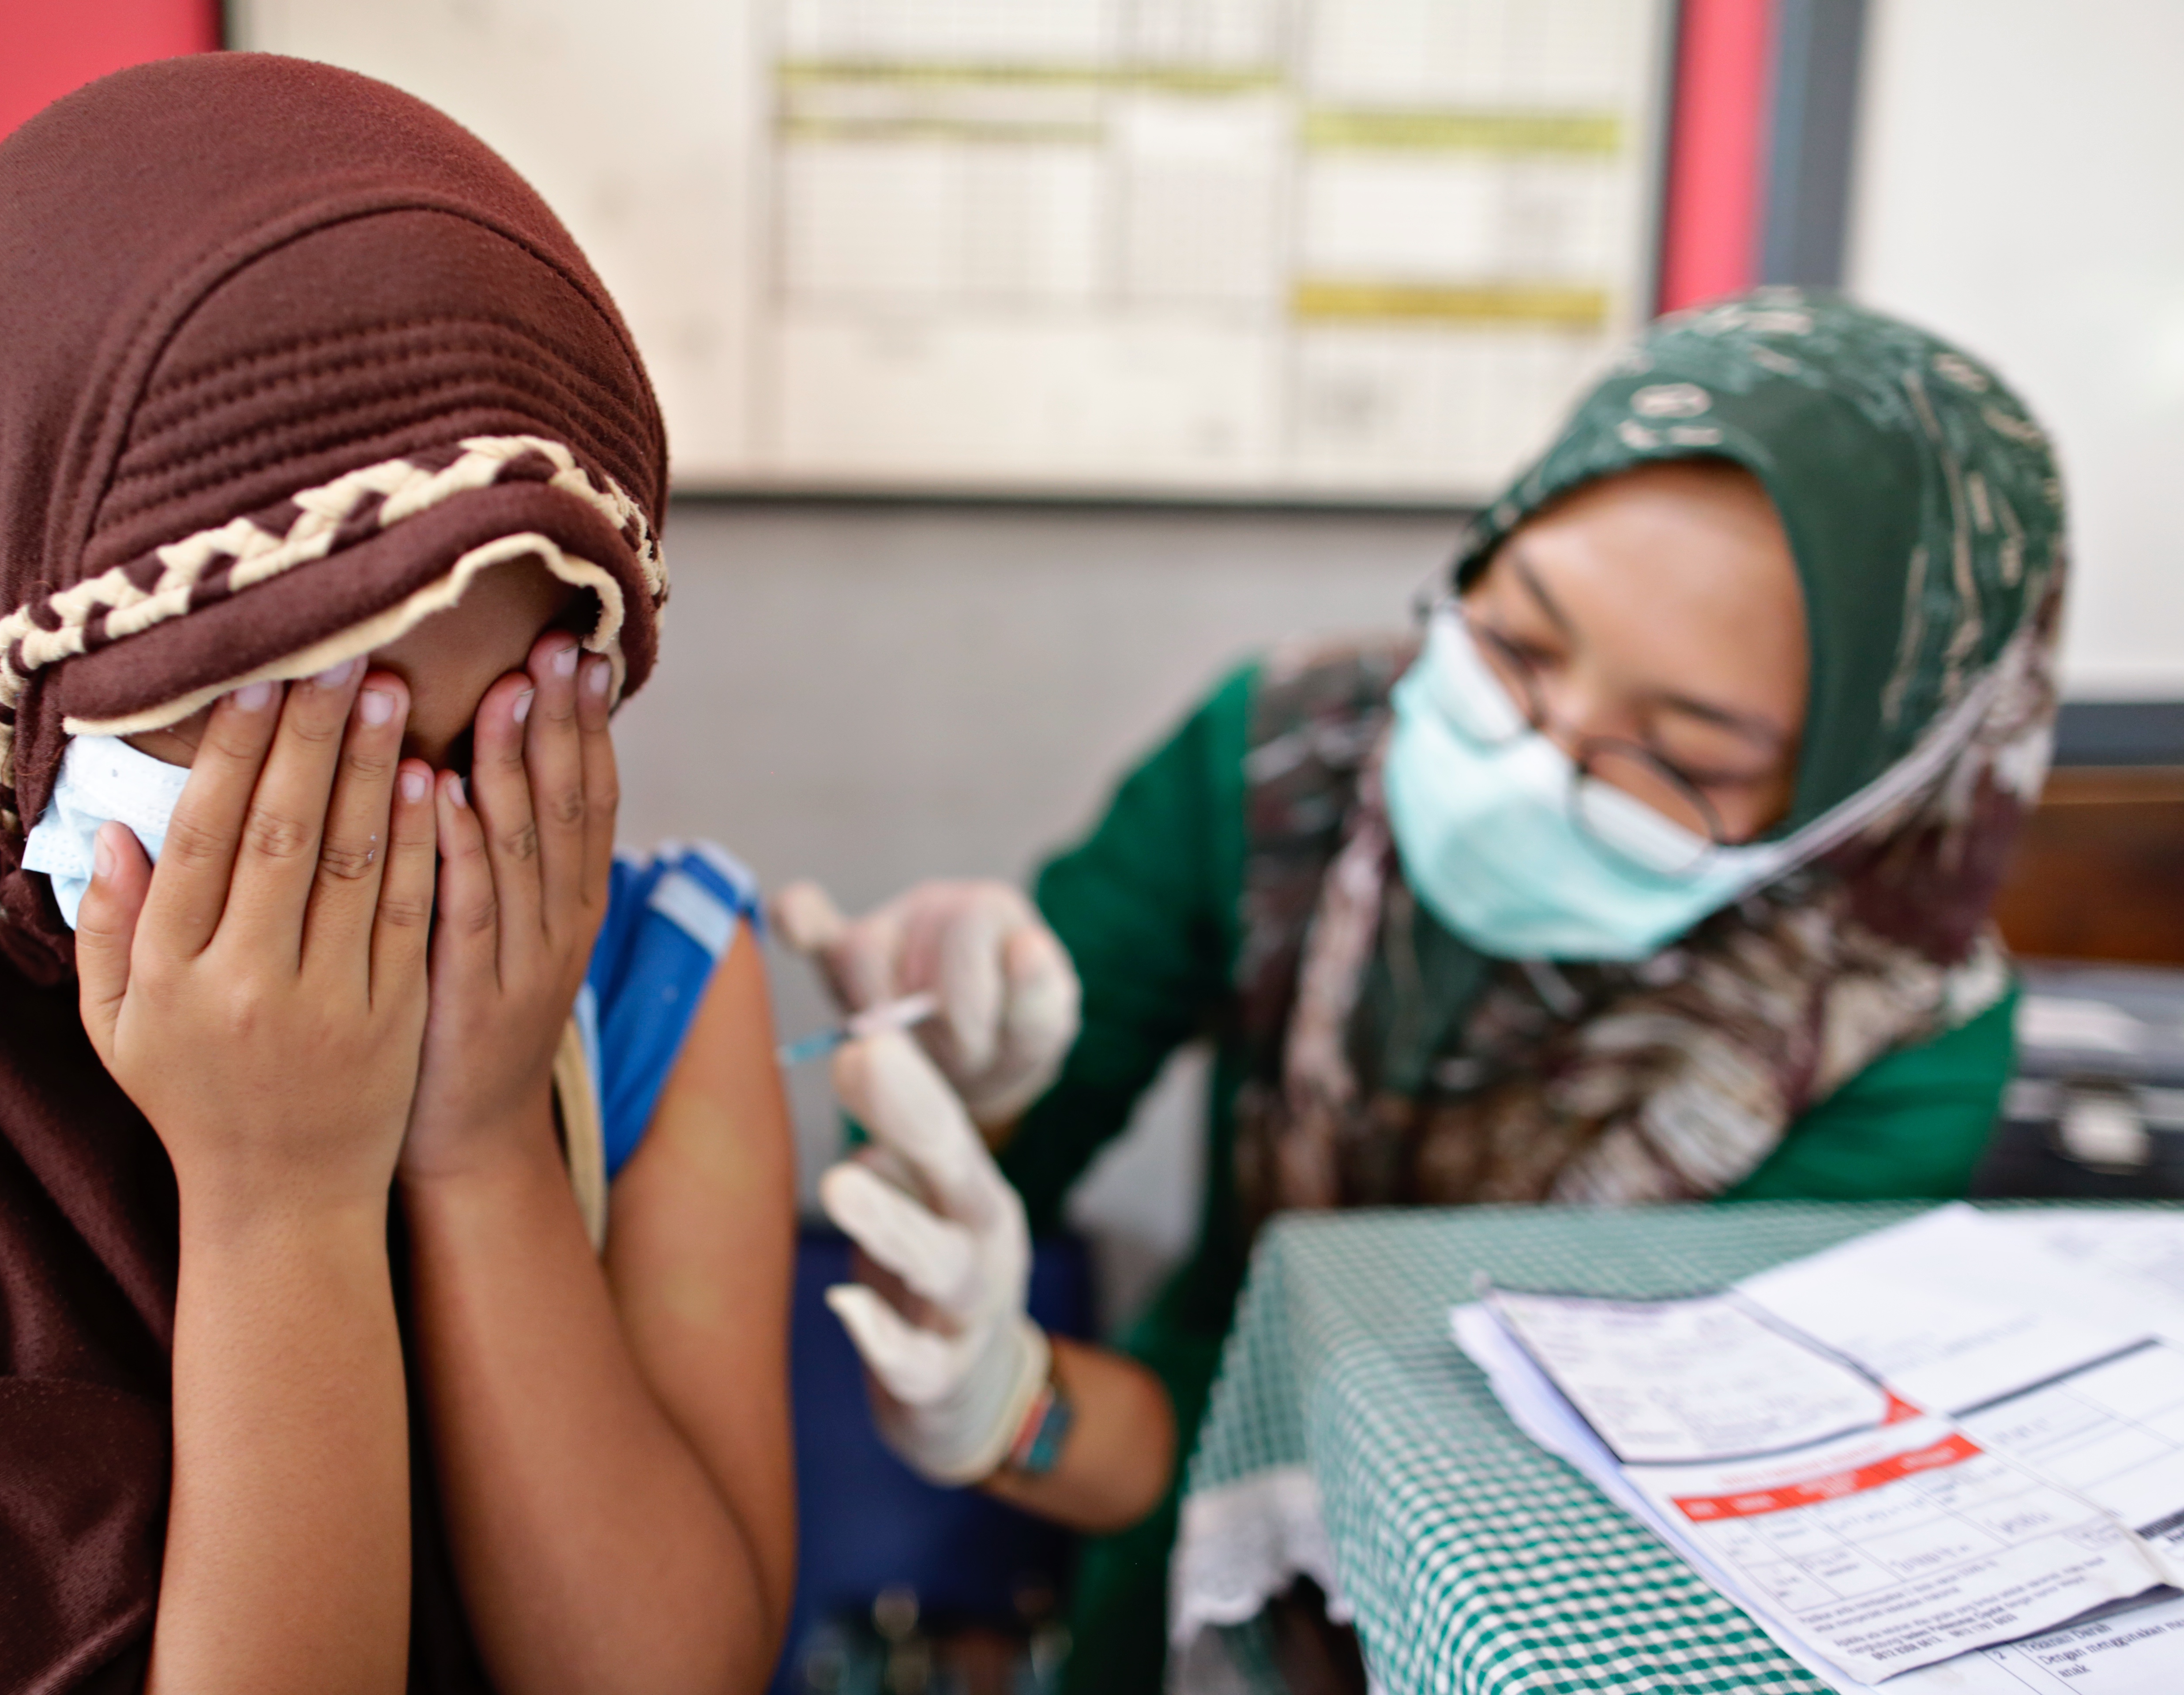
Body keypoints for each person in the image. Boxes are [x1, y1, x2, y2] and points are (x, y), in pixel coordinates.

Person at [0, 57, 794, 1695]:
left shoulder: (642, 993)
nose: (385, 873)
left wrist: (478, 1153)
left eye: (476, 755)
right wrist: (283, 1206)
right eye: (283, 780)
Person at [777, 292, 2066, 1692]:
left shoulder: (1893, 1034)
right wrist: (966, 1098)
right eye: (1515, 646)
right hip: (1174, 1536)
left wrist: (1030, 1416)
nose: (1535, 757)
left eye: (1682, 761)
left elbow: (1638, 1496)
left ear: (1856, 800)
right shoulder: (1282, 757)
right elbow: (960, 1193)